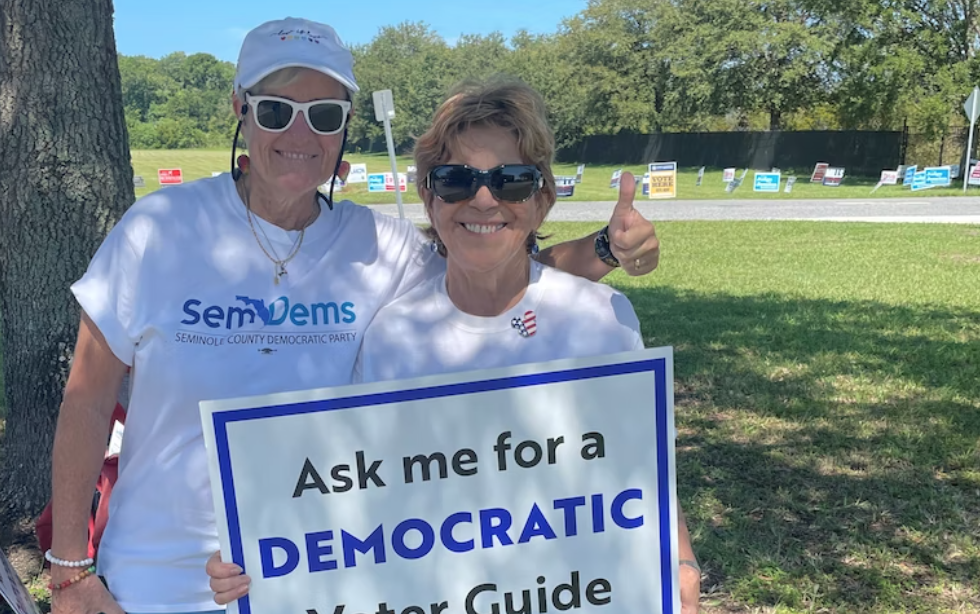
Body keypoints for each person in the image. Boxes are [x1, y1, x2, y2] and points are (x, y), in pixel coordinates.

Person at [48, 17, 661, 614]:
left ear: (343, 127)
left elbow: (488, 259)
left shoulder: (379, 246)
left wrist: (607, 250)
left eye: (323, 115)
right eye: (275, 110)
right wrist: (71, 572)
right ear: (240, 108)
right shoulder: (157, 230)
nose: (299, 132)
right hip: (155, 581)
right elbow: (88, 398)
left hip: (313, 579)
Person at [206, 77, 700, 612]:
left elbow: (639, 471)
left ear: (541, 200)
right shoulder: (392, 337)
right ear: (429, 197)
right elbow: (352, 492)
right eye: (456, 179)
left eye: (511, 180)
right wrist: (258, 557)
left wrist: (682, 561)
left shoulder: (602, 320)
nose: (484, 199)